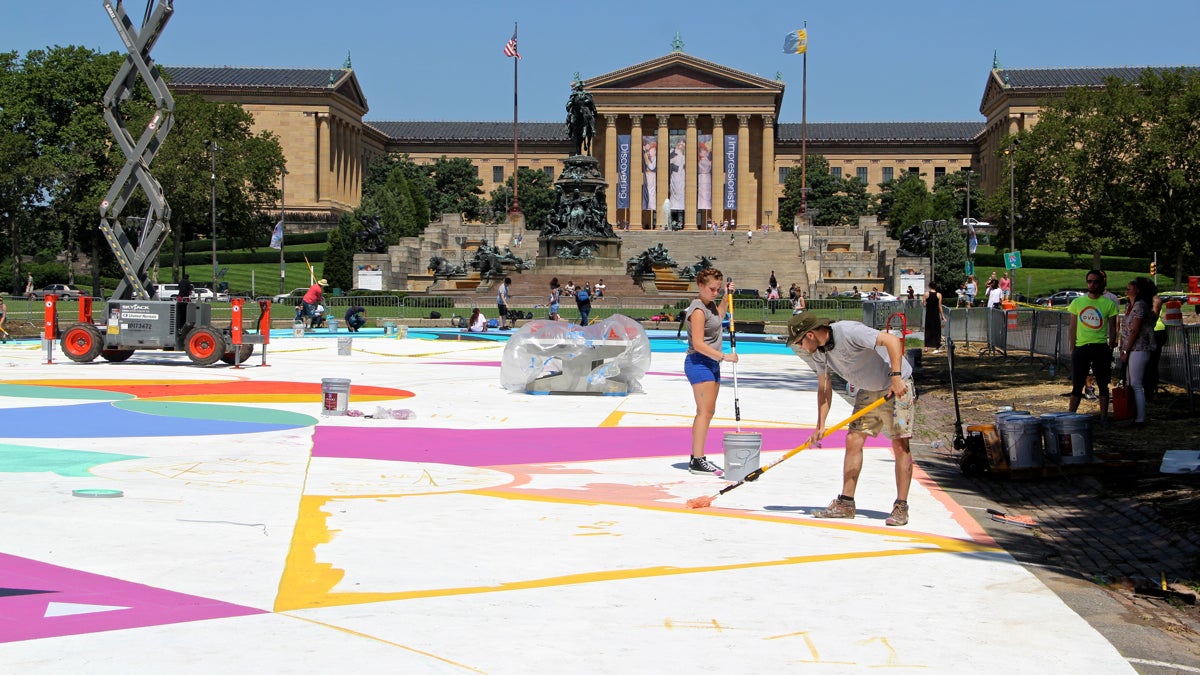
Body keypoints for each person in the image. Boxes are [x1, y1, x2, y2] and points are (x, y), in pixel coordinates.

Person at [786, 311, 915, 526]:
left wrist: (896, 377)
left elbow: (891, 340)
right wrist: (820, 425)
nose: (800, 348)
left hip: (897, 387)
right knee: (853, 439)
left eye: (798, 343)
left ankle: (901, 505)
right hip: (868, 389)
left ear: (809, 335)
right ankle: (846, 502)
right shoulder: (819, 353)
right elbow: (824, 389)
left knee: (900, 443)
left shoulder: (849, 331)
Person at [683, 268, 738, 475]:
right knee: (704, 412)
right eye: (711, 289)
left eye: (717, 289)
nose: (714, 293)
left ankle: (698, 456)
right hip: (699, 362)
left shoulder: (711, 305)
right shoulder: (697, 310)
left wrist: (726, 296)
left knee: (709, 411)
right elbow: (697, 343)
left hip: (712, 363)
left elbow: (719, 317)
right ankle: (697, 459)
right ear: (700, 286)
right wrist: (724, 356)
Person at [1068, 270, 1119, 422]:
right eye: (1089, 281)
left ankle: (1103, 416)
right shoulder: (1077, 303)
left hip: (1100, 347)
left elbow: (1113, 327)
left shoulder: (1108, 304)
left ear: (1101, 283)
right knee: (1077, 384)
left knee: (1103, 384)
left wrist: (1110, 347)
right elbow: (1072, 327)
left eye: (1096, 281)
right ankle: (1070, 415)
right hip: (1082, 347)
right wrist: (1073, 347)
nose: (1092, 284)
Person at [1119, 277, 1156, 428]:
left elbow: (1135, 330)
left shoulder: (1140, 306)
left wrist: (1126, 349)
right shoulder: (1129, 305)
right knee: (1132, 383)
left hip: (1139, 348)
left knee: (1136, 384)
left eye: (1130, 287)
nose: (1127, 289)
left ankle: (1140, 418)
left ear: (1138, 290)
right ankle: (1134, 414)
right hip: (1131, 348)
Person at [924, 282, 945, 352]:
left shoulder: (926, 294)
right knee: (937, 329)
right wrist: (943, 316)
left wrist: (926, 303)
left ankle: (926, 346)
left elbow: (924, 304)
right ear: (936, 287)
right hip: (935, 314)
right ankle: (937, 345)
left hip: (929, 314)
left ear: (929, 286)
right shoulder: (939, 295)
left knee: (928, 329)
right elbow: (940, 306)